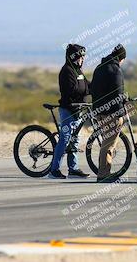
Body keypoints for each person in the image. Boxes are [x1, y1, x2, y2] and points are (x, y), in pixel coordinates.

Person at [49, 44, 91, 179]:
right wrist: (84, 92)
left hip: (78, 110)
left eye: (83, 57)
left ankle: (73, 169)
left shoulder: (78, 71)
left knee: (76, 139)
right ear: (74, 57)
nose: (83, 59)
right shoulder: (67, 71)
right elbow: (71, 91)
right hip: (68, 110)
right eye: (81, 56)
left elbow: (87, 86)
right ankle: (54, 170)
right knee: (65, 139)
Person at [91, 44, 127, 183]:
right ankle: (103, 174)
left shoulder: (99, 68)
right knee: (108, 145)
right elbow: (118, 93)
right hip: (111, 113)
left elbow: (93, 89)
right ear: (121, 58)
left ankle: (104, 172)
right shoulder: (115, 70)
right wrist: (121, 113)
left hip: (99, 111)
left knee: (106, 142)